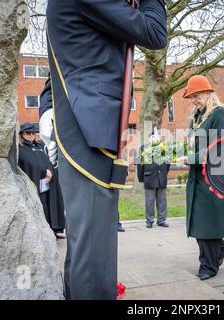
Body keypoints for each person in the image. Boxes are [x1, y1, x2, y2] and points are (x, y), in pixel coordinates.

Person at [39, 1, 167, 300]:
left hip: (87, 128)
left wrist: (49, 112)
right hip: (89, 131)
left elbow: (67, 64)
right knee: (94, 253)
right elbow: (154, 31)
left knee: (90, 245)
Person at [177, 75, 224, 281]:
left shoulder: (219, 114)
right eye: (191, 96)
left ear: (209, 93)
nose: (194, 99)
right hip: (198, 178)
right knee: (200, 223)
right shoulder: (198, 117)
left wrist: (190, 158)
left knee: (207, 225)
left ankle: (209, 265)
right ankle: (220, 249)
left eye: (197, 95)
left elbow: (220, 149)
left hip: (213, 178)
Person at [18, 123, 66, 239]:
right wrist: (43, 171)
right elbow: (28, 165)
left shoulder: (40, 146)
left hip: (48, 181)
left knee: (51, 203)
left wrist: (49, 172)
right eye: (28, 133)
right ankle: (43, 231)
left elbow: (47, 160)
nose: (31, 135)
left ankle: (54, 228)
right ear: (22, 134)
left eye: (33, 133)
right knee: (42, 203)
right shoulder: (21, 149)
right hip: (35, 181)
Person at [137, 130, 170, 229]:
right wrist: (141, 177)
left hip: (161, 178)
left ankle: (161, 220)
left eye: (157, 137)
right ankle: (149, 220)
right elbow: (139, 163)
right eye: (153, 137)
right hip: (149, 177)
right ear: (149, 138)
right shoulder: (143, 148)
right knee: (150, 201)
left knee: (162, 201)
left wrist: (164, 174)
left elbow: (167, 163)